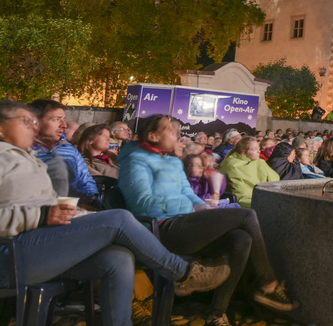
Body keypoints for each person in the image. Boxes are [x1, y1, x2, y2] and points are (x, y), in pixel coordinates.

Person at [0, 101, 230, 326]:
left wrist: (76, 215)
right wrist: (41, 217)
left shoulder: (28, 161)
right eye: (25, 121)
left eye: (34, 121)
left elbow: (43, 207)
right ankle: (182, 273)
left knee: (117, 258)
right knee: (118, 218)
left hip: (32, 245)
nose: (34, 126)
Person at [118, 115, 298, 324]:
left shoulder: (172, 162)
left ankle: (217, 313)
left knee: (241, 239)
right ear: (153, 135)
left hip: (184, 220)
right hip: (161, 228)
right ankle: (267, 284)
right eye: (168, 129)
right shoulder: (135, 161)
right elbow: (142, 203)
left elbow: (188, 193)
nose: (176, 132)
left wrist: (203, 205)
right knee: (247, 215)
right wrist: (191, 208)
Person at [29, 100, 99, 203]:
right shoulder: (23, 150)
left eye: (64, 119)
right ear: (35, 122)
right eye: (56, 119)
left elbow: (84, 181)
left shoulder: (69, 150)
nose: (63, 125)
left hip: (70, 207)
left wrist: (94, 201)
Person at [219, 138, 279, 207]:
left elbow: (275, 179)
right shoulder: (231, 164)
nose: (258, 151)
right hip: (240, 201)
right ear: (244, 152)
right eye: (254, 149)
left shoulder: (260, 162)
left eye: (258, 148)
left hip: (262, 197)